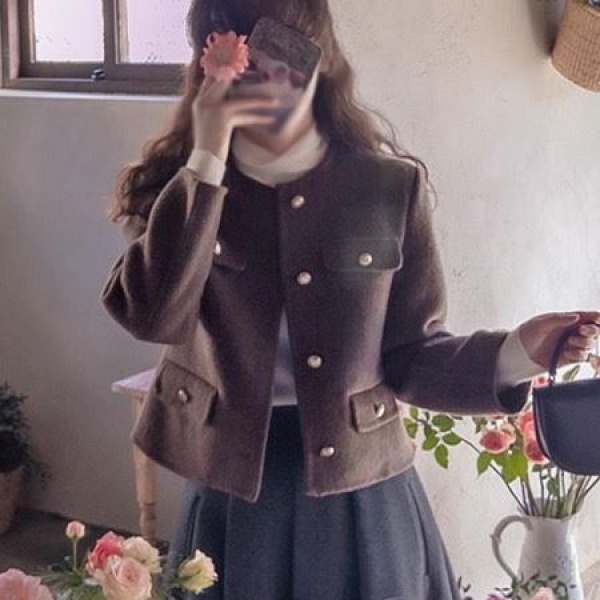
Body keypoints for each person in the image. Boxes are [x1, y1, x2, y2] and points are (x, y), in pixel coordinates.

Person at [101, 1, 600, 598]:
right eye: (244, 53)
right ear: (213, 63)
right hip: (233, 488)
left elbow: (412, 354)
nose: (270, 75)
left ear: (322, 56)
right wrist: (207, 158)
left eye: (288, 49)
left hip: (363, 488)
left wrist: (519, 351)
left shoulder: (387, 187)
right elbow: (153, 315)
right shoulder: (183, 188)